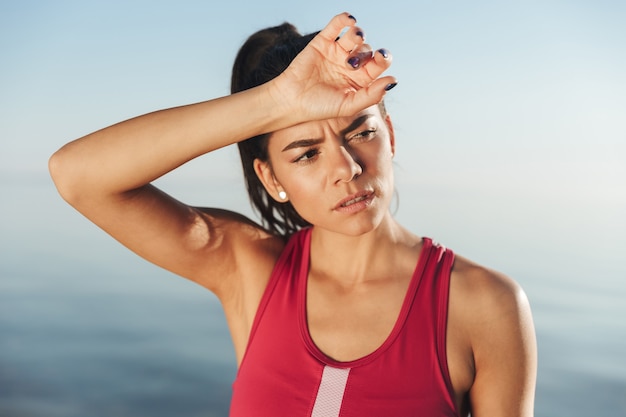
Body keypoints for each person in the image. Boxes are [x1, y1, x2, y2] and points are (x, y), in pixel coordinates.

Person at [49, 12, 536, 417]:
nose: (345, 169)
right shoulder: (249, 269)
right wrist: (276, 102)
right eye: (305, 154)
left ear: (390, 133)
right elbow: (76, 175)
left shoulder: (484, 305)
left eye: (360, 133)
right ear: (271, 179)